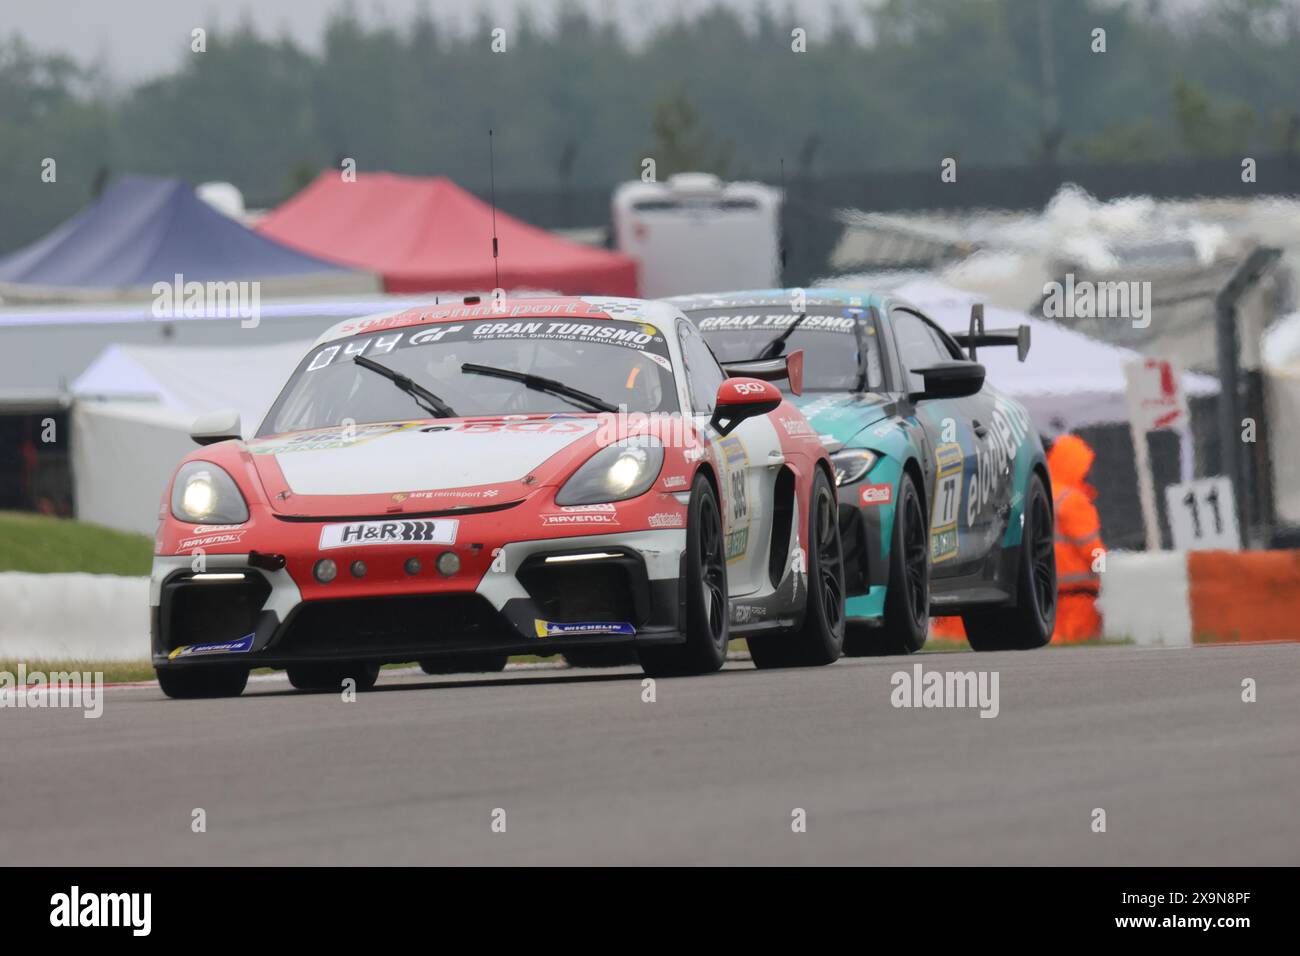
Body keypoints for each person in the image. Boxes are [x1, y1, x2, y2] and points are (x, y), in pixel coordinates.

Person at [1047, 434, 1105, 642]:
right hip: (1078, 598)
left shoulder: (1037, 492)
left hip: (1044, 597)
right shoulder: (1072, 500)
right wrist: (1110, 574)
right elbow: (1092, 549)